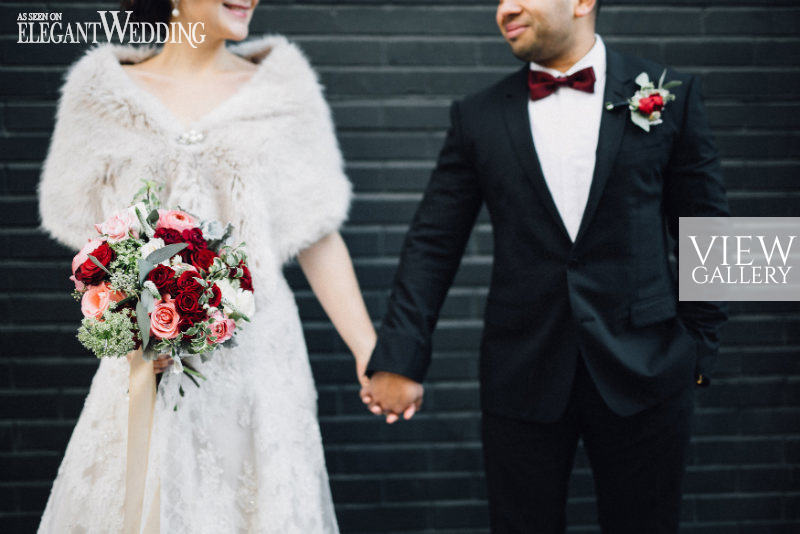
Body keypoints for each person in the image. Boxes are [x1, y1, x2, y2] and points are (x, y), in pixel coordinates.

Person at [362, 0, 730, 531]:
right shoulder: (477, 115)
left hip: (648, 368)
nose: (504, 8)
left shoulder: (673, 92)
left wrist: (701, 344)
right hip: (521, 371)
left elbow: (708, 223)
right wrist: (399, 356)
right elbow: (432, 242)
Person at [36, 1, 377, 532]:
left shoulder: (284, 89)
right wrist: (133, 314)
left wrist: (368, 349)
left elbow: (318, 232)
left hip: (260, 358)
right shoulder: (98, 91)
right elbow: (89, 242)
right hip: (142, 357)